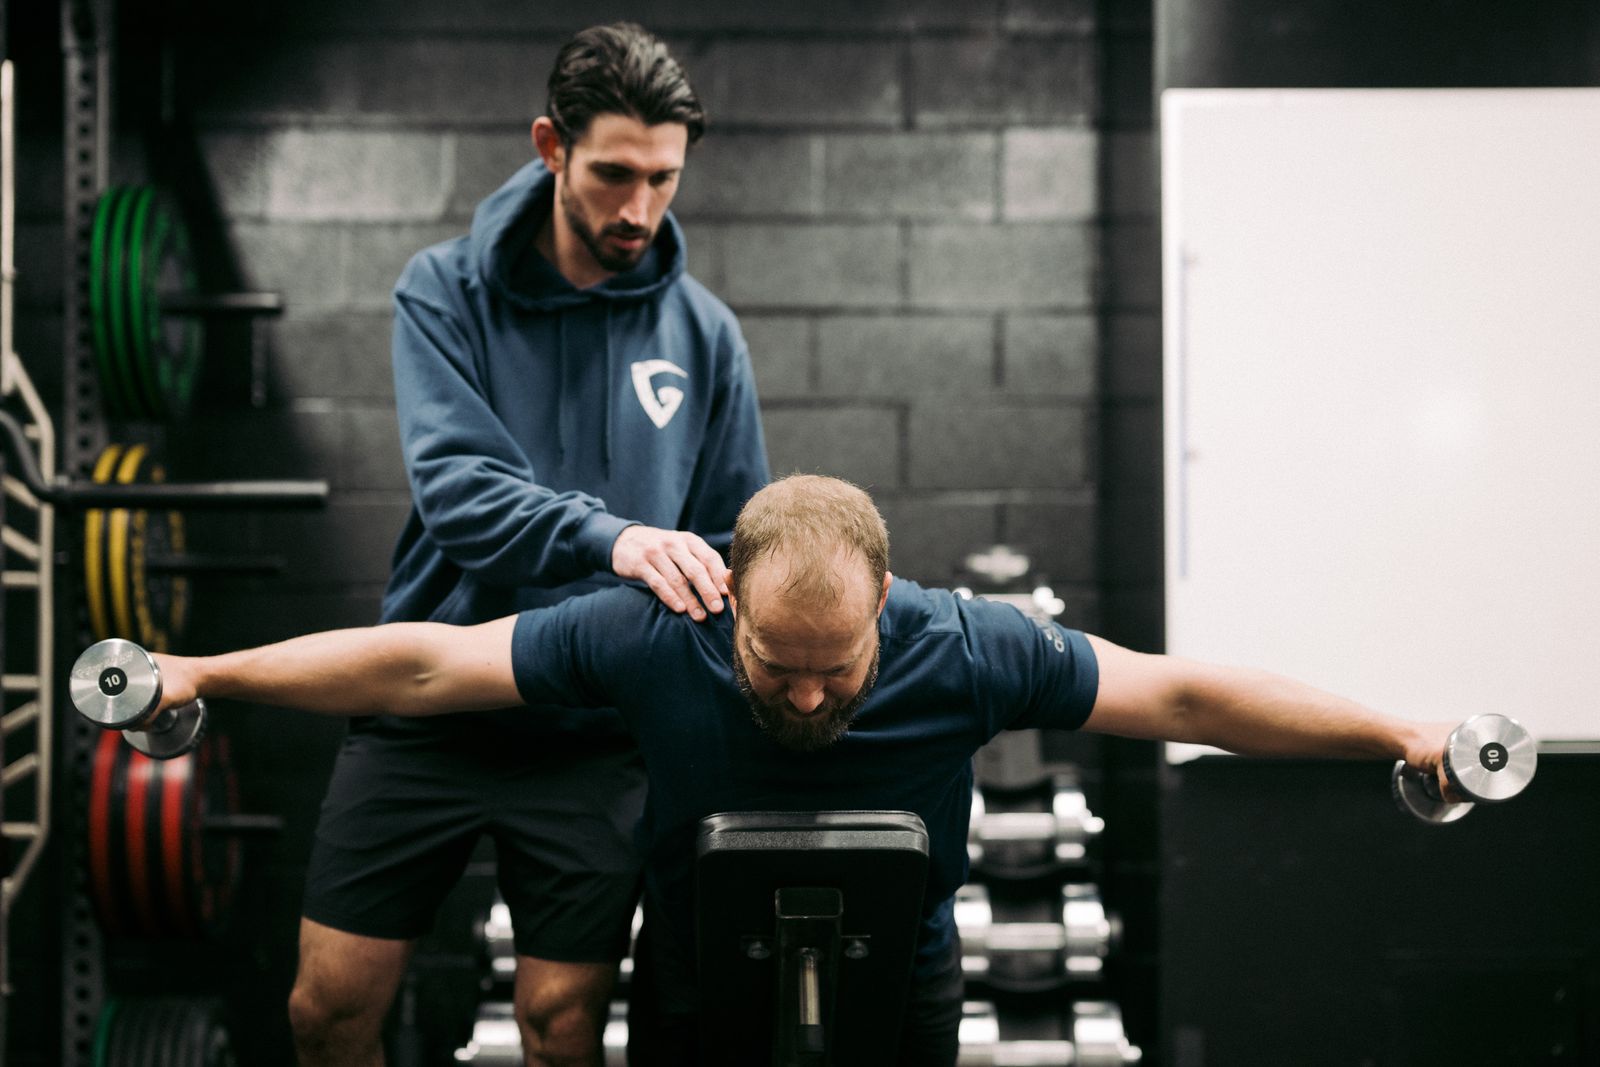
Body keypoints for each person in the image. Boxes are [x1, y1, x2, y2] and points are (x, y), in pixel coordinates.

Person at [154, 475, 1457, 1067]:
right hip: (691, 970)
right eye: (781, 668)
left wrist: (1396, 732)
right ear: (731, 610)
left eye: (840, 665)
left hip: (909, 968)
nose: (814, 693)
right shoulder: (653, 628)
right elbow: (427, 667)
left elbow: (1180, 691)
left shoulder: (966, 641)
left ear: (888, 601)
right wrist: (209, 669)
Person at [287, 23, 769, 1067]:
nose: (638, 207)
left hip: (590, 730)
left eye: (663, 178)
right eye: (612, 174)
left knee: (560, 1027)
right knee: (325, 1012)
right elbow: (461, 495)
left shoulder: (704, 335)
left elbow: (737, 530)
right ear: (551, 146)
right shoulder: (441, 291)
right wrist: (620, 539)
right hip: (429, 702)